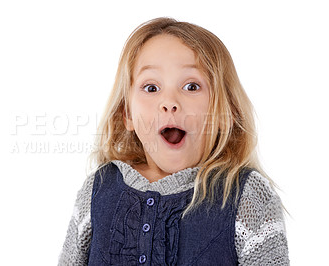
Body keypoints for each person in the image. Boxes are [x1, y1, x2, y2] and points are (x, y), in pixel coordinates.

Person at [58, 17, 289, 265]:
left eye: (191, 86)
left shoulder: (247, 197)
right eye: (151, 87)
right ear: (127, 114)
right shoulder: (98, 189)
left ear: (225, 113)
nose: (169, 102)